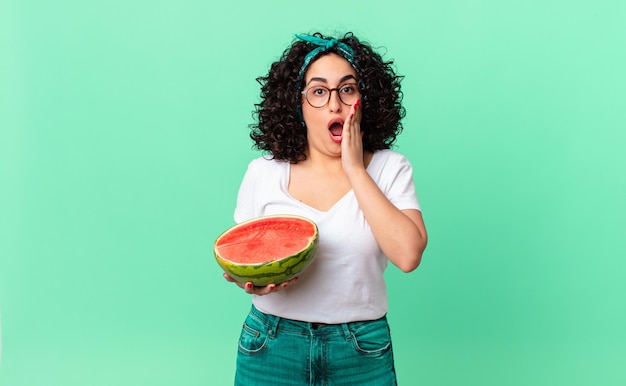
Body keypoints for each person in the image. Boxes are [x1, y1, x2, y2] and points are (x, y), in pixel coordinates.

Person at [223, 32, 428, 385]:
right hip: (270, 345)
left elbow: (408, 255)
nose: (334, 105)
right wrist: (251, 281)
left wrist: (354, 169)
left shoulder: (390, 168)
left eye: (347, 89)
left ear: (364, 100)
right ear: (297, 106)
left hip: (361, 350)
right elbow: (248, 258)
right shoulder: (264, 172)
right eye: (318, 92)